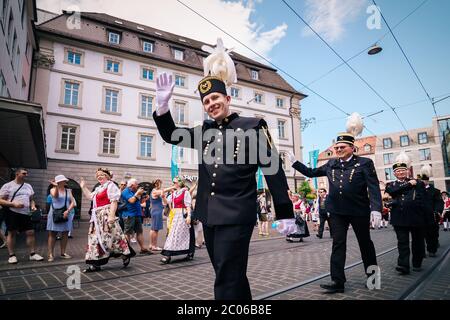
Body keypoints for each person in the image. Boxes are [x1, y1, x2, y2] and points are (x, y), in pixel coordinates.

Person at [152, 38, 294, 300]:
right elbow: (172, 135)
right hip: (209, 215)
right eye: (206, 101)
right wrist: (162, 108)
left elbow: (274, 170)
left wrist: (285, 212)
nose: (211, 104)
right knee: (229, 274)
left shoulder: (254, 126)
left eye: (215, 97)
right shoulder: (203, 131)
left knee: (227, 278)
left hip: (237, 214)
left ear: (228, 98)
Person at [286, 114, 382, 294]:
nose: (338, 149)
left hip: (359, 210)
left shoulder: (364, 163)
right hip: (337, 211)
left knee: (365, 243)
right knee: (338, 244)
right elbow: (312, 172)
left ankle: (373, 277)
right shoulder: (331, 164)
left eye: (341, 147)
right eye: (336, 147)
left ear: (352, 147)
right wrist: (295, 163)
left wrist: (376, 209)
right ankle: (337, 281)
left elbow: (374, 187)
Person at [80, 168, 135, 272]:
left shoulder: (111, 186)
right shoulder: (98, 188)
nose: (99, 177)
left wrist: (111, 216)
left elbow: (114, 202)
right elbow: (90, 197)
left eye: (101, 175)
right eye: (97, 175)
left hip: (107, 215)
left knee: (113, 238)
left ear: (107, 176)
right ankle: (95, 263)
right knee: (94, 239)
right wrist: (83, 187)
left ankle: (125, 255)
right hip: (97, 218)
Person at [385, 153, 427, 274]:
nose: (401, 173)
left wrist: (426, 216)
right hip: (399, 218)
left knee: (417, 242)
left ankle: (417, 262)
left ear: (407, 171)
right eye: (398, 171)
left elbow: (423, 199)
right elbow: (393, 192)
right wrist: (408, 184)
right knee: (402, 243)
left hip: (416, 217)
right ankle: (403, 265)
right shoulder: (391, 185)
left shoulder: (418, 183)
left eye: (403, 170)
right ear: (394, 173)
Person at [0, 168, 44, 264]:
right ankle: (12, 255)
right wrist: (13, 204)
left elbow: (31, 199)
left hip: (25, 213)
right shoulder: (8, 186)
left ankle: (32, 254)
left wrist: (32, 206)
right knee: (12, 233)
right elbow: (0, 200)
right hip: (12, 212)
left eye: (26, 173)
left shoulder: (28, 186)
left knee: (30, 232)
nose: (26, 175)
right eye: (24, 173)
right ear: (17, 173)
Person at [160, 177, 195, 264]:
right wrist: (163, 196)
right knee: (172, 234)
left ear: (180, 183)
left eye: (175, 182)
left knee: (186, 234)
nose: (173, 183)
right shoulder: (173, 193)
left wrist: (189, 217)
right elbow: (166, 203)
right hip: (174, 216)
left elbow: (188, 206)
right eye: (173, 182)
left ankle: (189, 251)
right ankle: (167, 254)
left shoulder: (185, 192)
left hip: (182, 214)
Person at [46, 175, 76, 262]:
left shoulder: (68, 191)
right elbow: (55, 196)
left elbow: (72, 202)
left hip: (66, 213)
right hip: (55, 213)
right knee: (52, 233)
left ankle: (63, 253)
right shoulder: (52, 189)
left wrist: (68, 211)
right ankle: (50, 254)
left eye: (65, 180)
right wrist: (55, 186)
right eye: (63, 180)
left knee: (65, 233)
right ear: (59, 182)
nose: (65, 182)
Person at [418, 166, 444, 258]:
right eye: (422, 181)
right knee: (422, 235)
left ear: (427, 181)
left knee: (432, 234)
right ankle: (423, 252)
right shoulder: (418, 191)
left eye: (425, 181)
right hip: (420, 216)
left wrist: (437, 211)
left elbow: (439, 202)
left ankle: (432, 249)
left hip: (432, 216)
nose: (423, 182)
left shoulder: (435, 191)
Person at [121, 179, 150, 254]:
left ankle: (143, 248)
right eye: (136, 184)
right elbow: (131, 200)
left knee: (139, 232)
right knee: (127, 233)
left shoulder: (134, 191)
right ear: (132, 185)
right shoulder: (126, 191)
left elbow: (139, 201)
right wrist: (138, 193)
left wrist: (144, 197)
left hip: (137, 214)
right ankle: (127, 250)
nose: (138, 186)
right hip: (129, 215)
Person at [190, 182, 205, 249]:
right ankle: (195, 243)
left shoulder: (194, 199)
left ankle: (198, 242)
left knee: (199, 229)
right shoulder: (195, 200)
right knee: (197, 230)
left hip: (197, 215)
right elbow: (194, 208)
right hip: (196, 216)